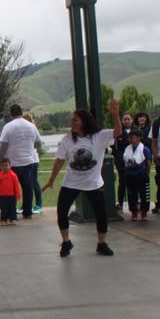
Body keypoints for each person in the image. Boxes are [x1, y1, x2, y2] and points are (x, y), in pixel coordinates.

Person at [42, 101, 122, 257]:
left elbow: (118, 131)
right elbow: (59, 160)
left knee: (101, 214)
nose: (71, 123)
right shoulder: (67, 139)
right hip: (70, 183)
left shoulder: (99, 136)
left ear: (84, 122)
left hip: (93, 184)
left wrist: (115, 114)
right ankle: (66, 242)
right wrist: (51, 180)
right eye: (71, 120)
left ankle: (102, 243)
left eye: (75, 120)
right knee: (62, 212)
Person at [0, 105, 44, 220]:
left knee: (11, 188)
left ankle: (11, 212)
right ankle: (27, 212)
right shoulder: (31, 126)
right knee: (28, 187)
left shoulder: (8, 126)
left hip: (12, 163)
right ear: (22, 112)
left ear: (11, 114)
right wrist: (28, 147)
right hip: (28, 161)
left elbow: (3, 145)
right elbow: (38, 143)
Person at [122, 130, 153, 221]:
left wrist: (147, 174)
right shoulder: (127, 149)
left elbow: (148, 162)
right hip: (130, 176)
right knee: (131, 195)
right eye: (129, 138)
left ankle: (144, 212)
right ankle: (134, 212)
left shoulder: (144, 149)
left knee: (144, 195)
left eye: (132, 137)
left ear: (139, 138)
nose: (130, 140)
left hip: (141, 175)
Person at [22, 112, 45, 213]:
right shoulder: (24, 130)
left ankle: (38, 204)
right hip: (26, 160)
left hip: (33, 159)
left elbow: (38, 143)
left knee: (34, 182)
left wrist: (29, 146)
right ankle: (26, 206)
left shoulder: (32, 128)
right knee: (26, 184)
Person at [112, 113, 134, 211]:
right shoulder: (119, 132)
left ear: (132, 120)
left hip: (134, 161)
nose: (127, 121)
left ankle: (134, 203)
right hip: (122, 161)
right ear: (122, 120)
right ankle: (120, 203)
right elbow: (114, 146)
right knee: (122, 182)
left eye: (128, 119)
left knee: (134, 183)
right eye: (125, 119)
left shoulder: (136, 131)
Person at [0, 157, 21, 225]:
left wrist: (18, 195)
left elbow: (16, 186)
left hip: (12, 196)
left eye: (6, 165)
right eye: (2, 166)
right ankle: (3, 220)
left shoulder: (13, 175)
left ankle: (13, 219)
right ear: (0, 167)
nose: (5, 167)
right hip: (2, 196)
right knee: (3, 209)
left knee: (12, 208)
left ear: (10, 166)